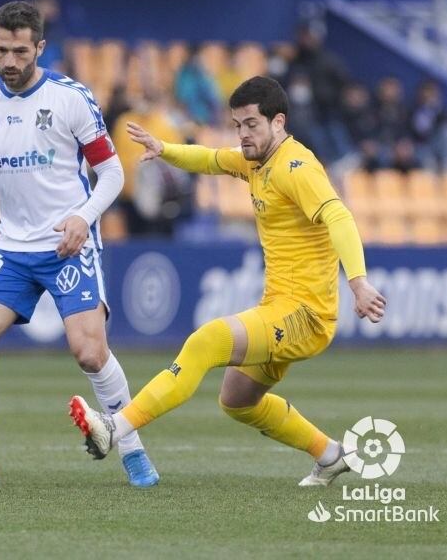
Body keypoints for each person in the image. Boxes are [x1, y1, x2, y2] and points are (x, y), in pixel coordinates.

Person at [69, 76, 387, 487]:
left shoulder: (297, 167)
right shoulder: (255, 159)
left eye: (251, 124)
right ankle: (330, 454)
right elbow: (210, 159)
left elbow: (339, 216)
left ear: (278, 122)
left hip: (305, 314)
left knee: (207, 341)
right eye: (237, 124)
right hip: (280, 306)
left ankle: (115, 428)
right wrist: (164, 150)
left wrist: (358, 283)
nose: (243, 134)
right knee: (237, 401)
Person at [0, 1, 158, 488]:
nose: (9, 61)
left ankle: (133, 451)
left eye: (20, 51)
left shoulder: (71, 98)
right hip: (12, 246)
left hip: (68, 241)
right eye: (1, 50)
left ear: (40, 48)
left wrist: (83, 219)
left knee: (89, 353)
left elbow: (111, 172)